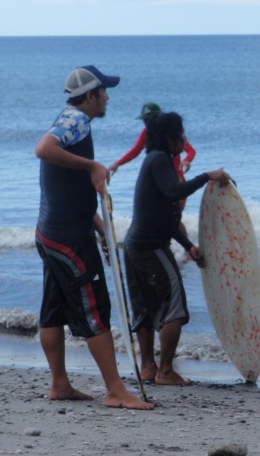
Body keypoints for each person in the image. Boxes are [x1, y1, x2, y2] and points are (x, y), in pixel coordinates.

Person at [34, 64, 154, 410]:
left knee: (53, 311)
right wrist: (92, 166)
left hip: (50, 232)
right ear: (91, 96)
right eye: (104, 92)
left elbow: (68, 190)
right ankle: (115, 389)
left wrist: (102, 228)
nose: (108, 98)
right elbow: (43, 149)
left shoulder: (71, 120)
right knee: (95, 307)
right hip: (67, 238)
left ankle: (60, 385)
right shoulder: (76, 120)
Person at [123, 111, 230, 386]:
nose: (184, 138)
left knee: (145, 308)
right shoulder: (159, 160)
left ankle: (148, 367)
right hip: (150, 248)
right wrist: (207, 175)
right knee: (175, 307)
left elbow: (162, 214)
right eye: (181, 134)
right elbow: (174, 193)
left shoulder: (155, 161)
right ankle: (166, 371)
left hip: (136, 246)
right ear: (170, 137)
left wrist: (187, 246)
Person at [108, 102, 197, 206]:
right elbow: (135, 151)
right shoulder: (146, 132)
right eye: (144, 121)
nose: (146, 123)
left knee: (175, 212)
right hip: (160, 181)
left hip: (177, 178)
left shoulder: (170, 133)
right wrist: (117, 164)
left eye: (148, 120)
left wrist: (186, 161)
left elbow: (191, 151)